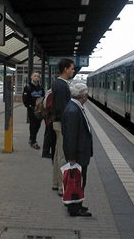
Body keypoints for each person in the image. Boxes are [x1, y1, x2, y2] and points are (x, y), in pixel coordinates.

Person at [62, 82, 93, 217]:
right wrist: (72, 158)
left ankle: (76, 204)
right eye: (86, 94)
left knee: (78, 181)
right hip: (78, 154)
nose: (87, 96)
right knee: (77, 181)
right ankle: (74, 208)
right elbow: (70, 136)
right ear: (83, 95)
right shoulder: (73, 110)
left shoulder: (75, 107)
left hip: (80, 153)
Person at [51, 58, 75, 195]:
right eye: (72, 68)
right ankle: (61, 186)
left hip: (58, 122)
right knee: (62, 155)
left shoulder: (60, 84)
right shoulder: (61, 85)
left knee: (57, 154)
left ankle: (55, 182)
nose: (73, 71)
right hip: (61, 124)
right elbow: (62, 108)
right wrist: (68, 125)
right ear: (65, 69)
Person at [22, 72, 45, 149]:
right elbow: (25, 99)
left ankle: (32, 138)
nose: (36, 77)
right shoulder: (27, 87)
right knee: (33, 124)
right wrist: (29, 106)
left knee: (38, 125)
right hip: (32, 109)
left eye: (38, 76)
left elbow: (43, 97)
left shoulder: (41, 88)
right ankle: (33, 141)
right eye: (35, 76)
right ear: (31, 77)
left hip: (39, 110)